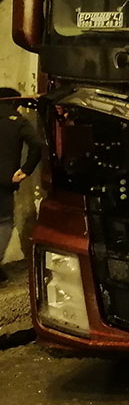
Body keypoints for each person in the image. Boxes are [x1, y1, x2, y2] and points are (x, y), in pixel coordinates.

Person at [0, 88, 41, 277]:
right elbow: (37, 144)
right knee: (4, 222)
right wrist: (25, 170)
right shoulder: (17, 122)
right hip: (4, 180)